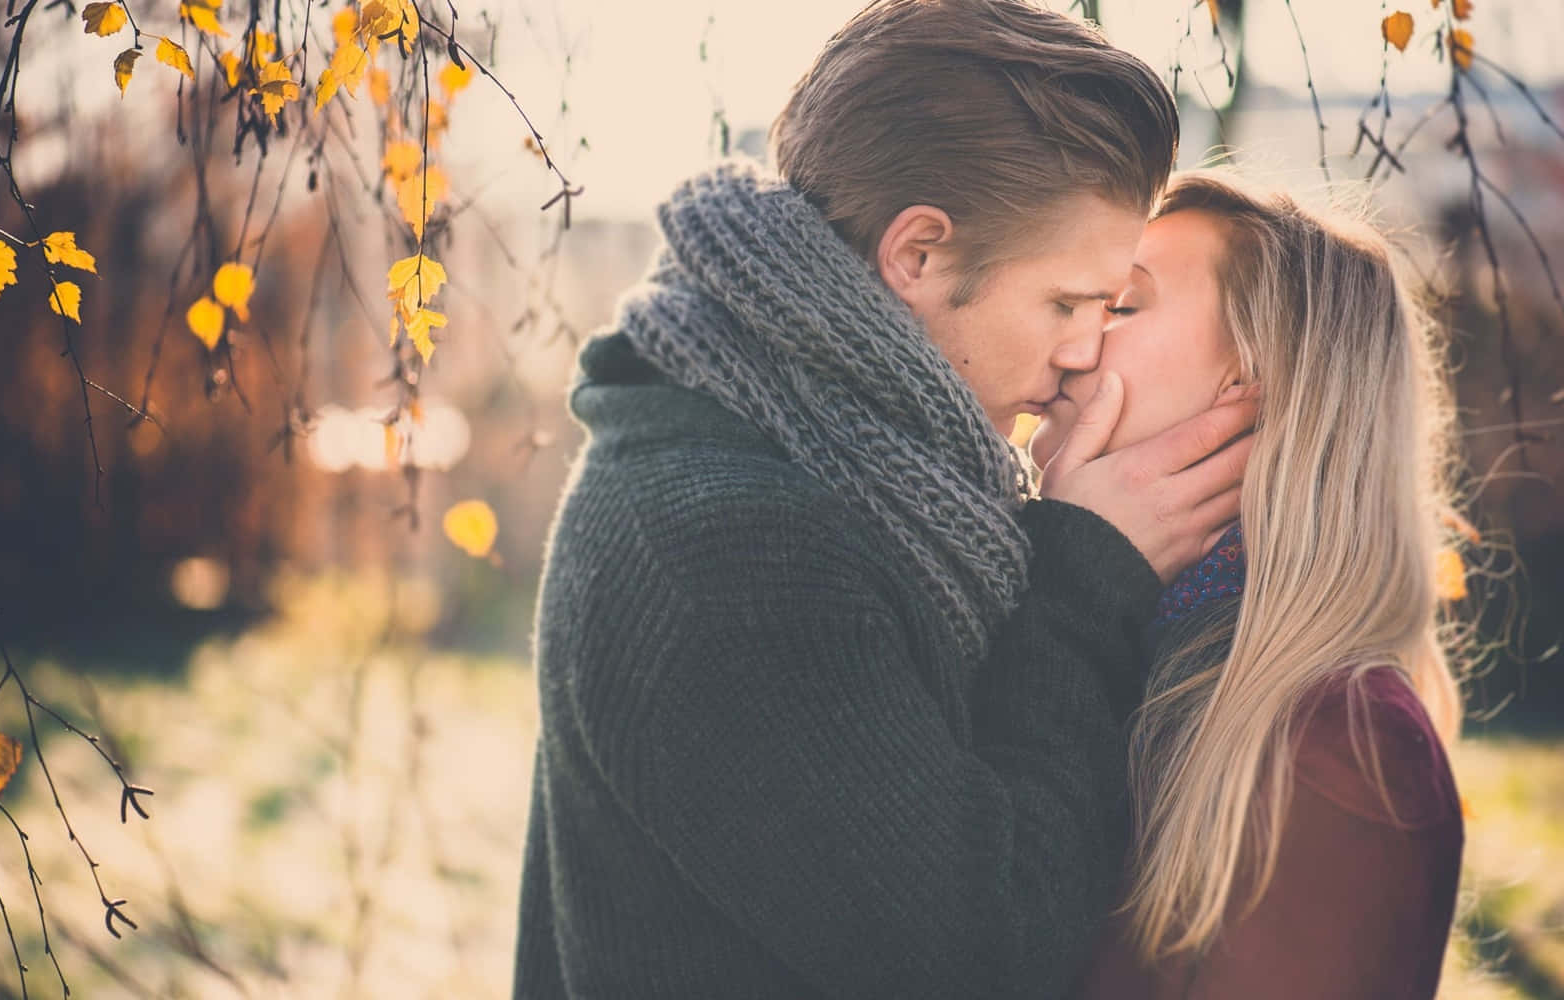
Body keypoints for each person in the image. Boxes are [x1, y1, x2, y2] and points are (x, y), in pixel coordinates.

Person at [511, 2, 1261, 996]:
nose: (1085, 349)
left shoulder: (834, 466)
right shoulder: (729, 544)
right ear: (918, 255)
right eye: (1065, 303)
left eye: (1109, 306)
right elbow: (988, 952)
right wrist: (1085, 573)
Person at [1025, 172, 1465, 999]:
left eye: (1119, 304)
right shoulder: (1101, 645)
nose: (1074, 338)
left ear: (1247, 383)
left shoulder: (1344, 752)